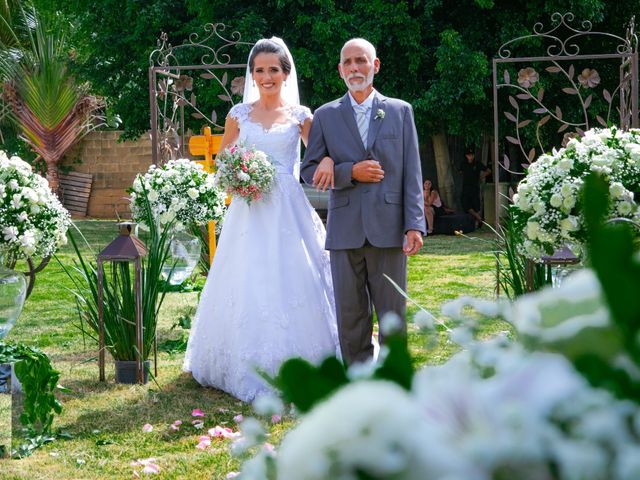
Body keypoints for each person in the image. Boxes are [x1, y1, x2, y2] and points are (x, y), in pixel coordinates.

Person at [183, 38, 340, 403]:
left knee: (295, 275)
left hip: (287, 207)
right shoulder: (238, 114)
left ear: (286, 73)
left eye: (273, 70)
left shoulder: (302, 116)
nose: (266, 77)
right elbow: (224, 159)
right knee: (245, 276)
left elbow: (319, 156)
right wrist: (239, 174)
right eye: (259, 70)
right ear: (252, 75)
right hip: (248, 208)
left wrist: (330, 161)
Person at [301, 38, 425, 365]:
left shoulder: (400, 111)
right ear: (340, 70)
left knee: (392, 314)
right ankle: (357, 378)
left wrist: (415, 224)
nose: (355, 68)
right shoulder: (326, 116)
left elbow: (412, 171)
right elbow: (308, 170)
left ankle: (393, 377)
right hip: (345, 231)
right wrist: (346, 171)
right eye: (348, 63)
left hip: (389, 228)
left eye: (361, 61)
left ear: (375, 65)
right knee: (351, 314)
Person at [460, 148, 490, 227]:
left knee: (476, 204)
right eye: (469, 155)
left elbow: (488, 170)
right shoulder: (463, 164)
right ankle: (479, 218)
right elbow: (460, 171)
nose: (471, 157)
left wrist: (481, 177)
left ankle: (477, 222)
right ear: (466, 156)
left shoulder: (477, 163)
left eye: (472, 155)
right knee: (465, 203)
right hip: (466, 186)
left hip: (475, 186)